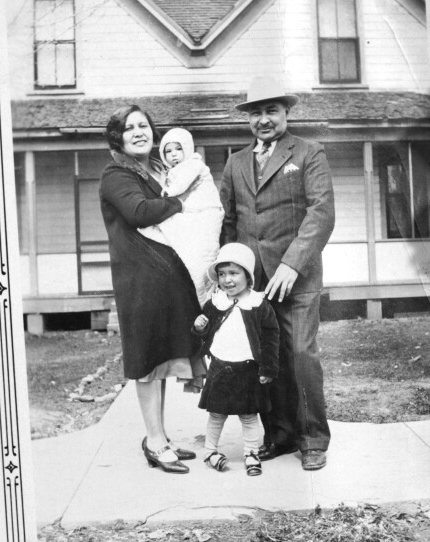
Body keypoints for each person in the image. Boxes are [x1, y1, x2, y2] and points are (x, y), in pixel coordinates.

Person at [219, 76, 335, 471]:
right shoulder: (235, 162)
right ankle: (280, 435)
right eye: (256, 113)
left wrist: (292, 263)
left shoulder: (309, 152)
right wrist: (229, 275)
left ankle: (312, 440)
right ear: (248, 119)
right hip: (254, 284)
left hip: (297, 279)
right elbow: (228, 222)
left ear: (286, 113)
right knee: (264, 360)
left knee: (300, 355)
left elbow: (321, 213)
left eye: (272, 111)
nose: (264, 119)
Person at [99, 105, 204, 474]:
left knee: (160, 358)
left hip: (164, 279)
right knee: (146, 359)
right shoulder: (115, 174)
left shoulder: (158, 170)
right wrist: (180, 203)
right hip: (139, 280)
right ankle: (155, 441)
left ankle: (160, 437)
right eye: (129, 128)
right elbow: (139, 212)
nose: (139, 132)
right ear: (118, 138)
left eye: (143, 125)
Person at [192, 243, 279, 476]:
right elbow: (206, 331)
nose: (227, 280)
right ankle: (210, 451)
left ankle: (251, 453)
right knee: (216, 413)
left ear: (248, 276)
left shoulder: (258, 304)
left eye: (233, 273)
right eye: (222, 274)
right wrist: (200, 327)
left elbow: (271, 337)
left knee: (249, 415)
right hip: (220, 367)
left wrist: (268, 368)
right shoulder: (216, 302)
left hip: (248, 368)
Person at [138, 127, 224, 303]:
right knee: (189, 255)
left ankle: (203, 298)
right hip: (190, 212)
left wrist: (167, 193)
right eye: (168, 151)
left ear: (187, 148)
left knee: (200, 257)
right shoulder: (171, 171)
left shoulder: (194, 164)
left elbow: (179, 186)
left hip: (205, 211)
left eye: (178, 149)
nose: (174, 155)